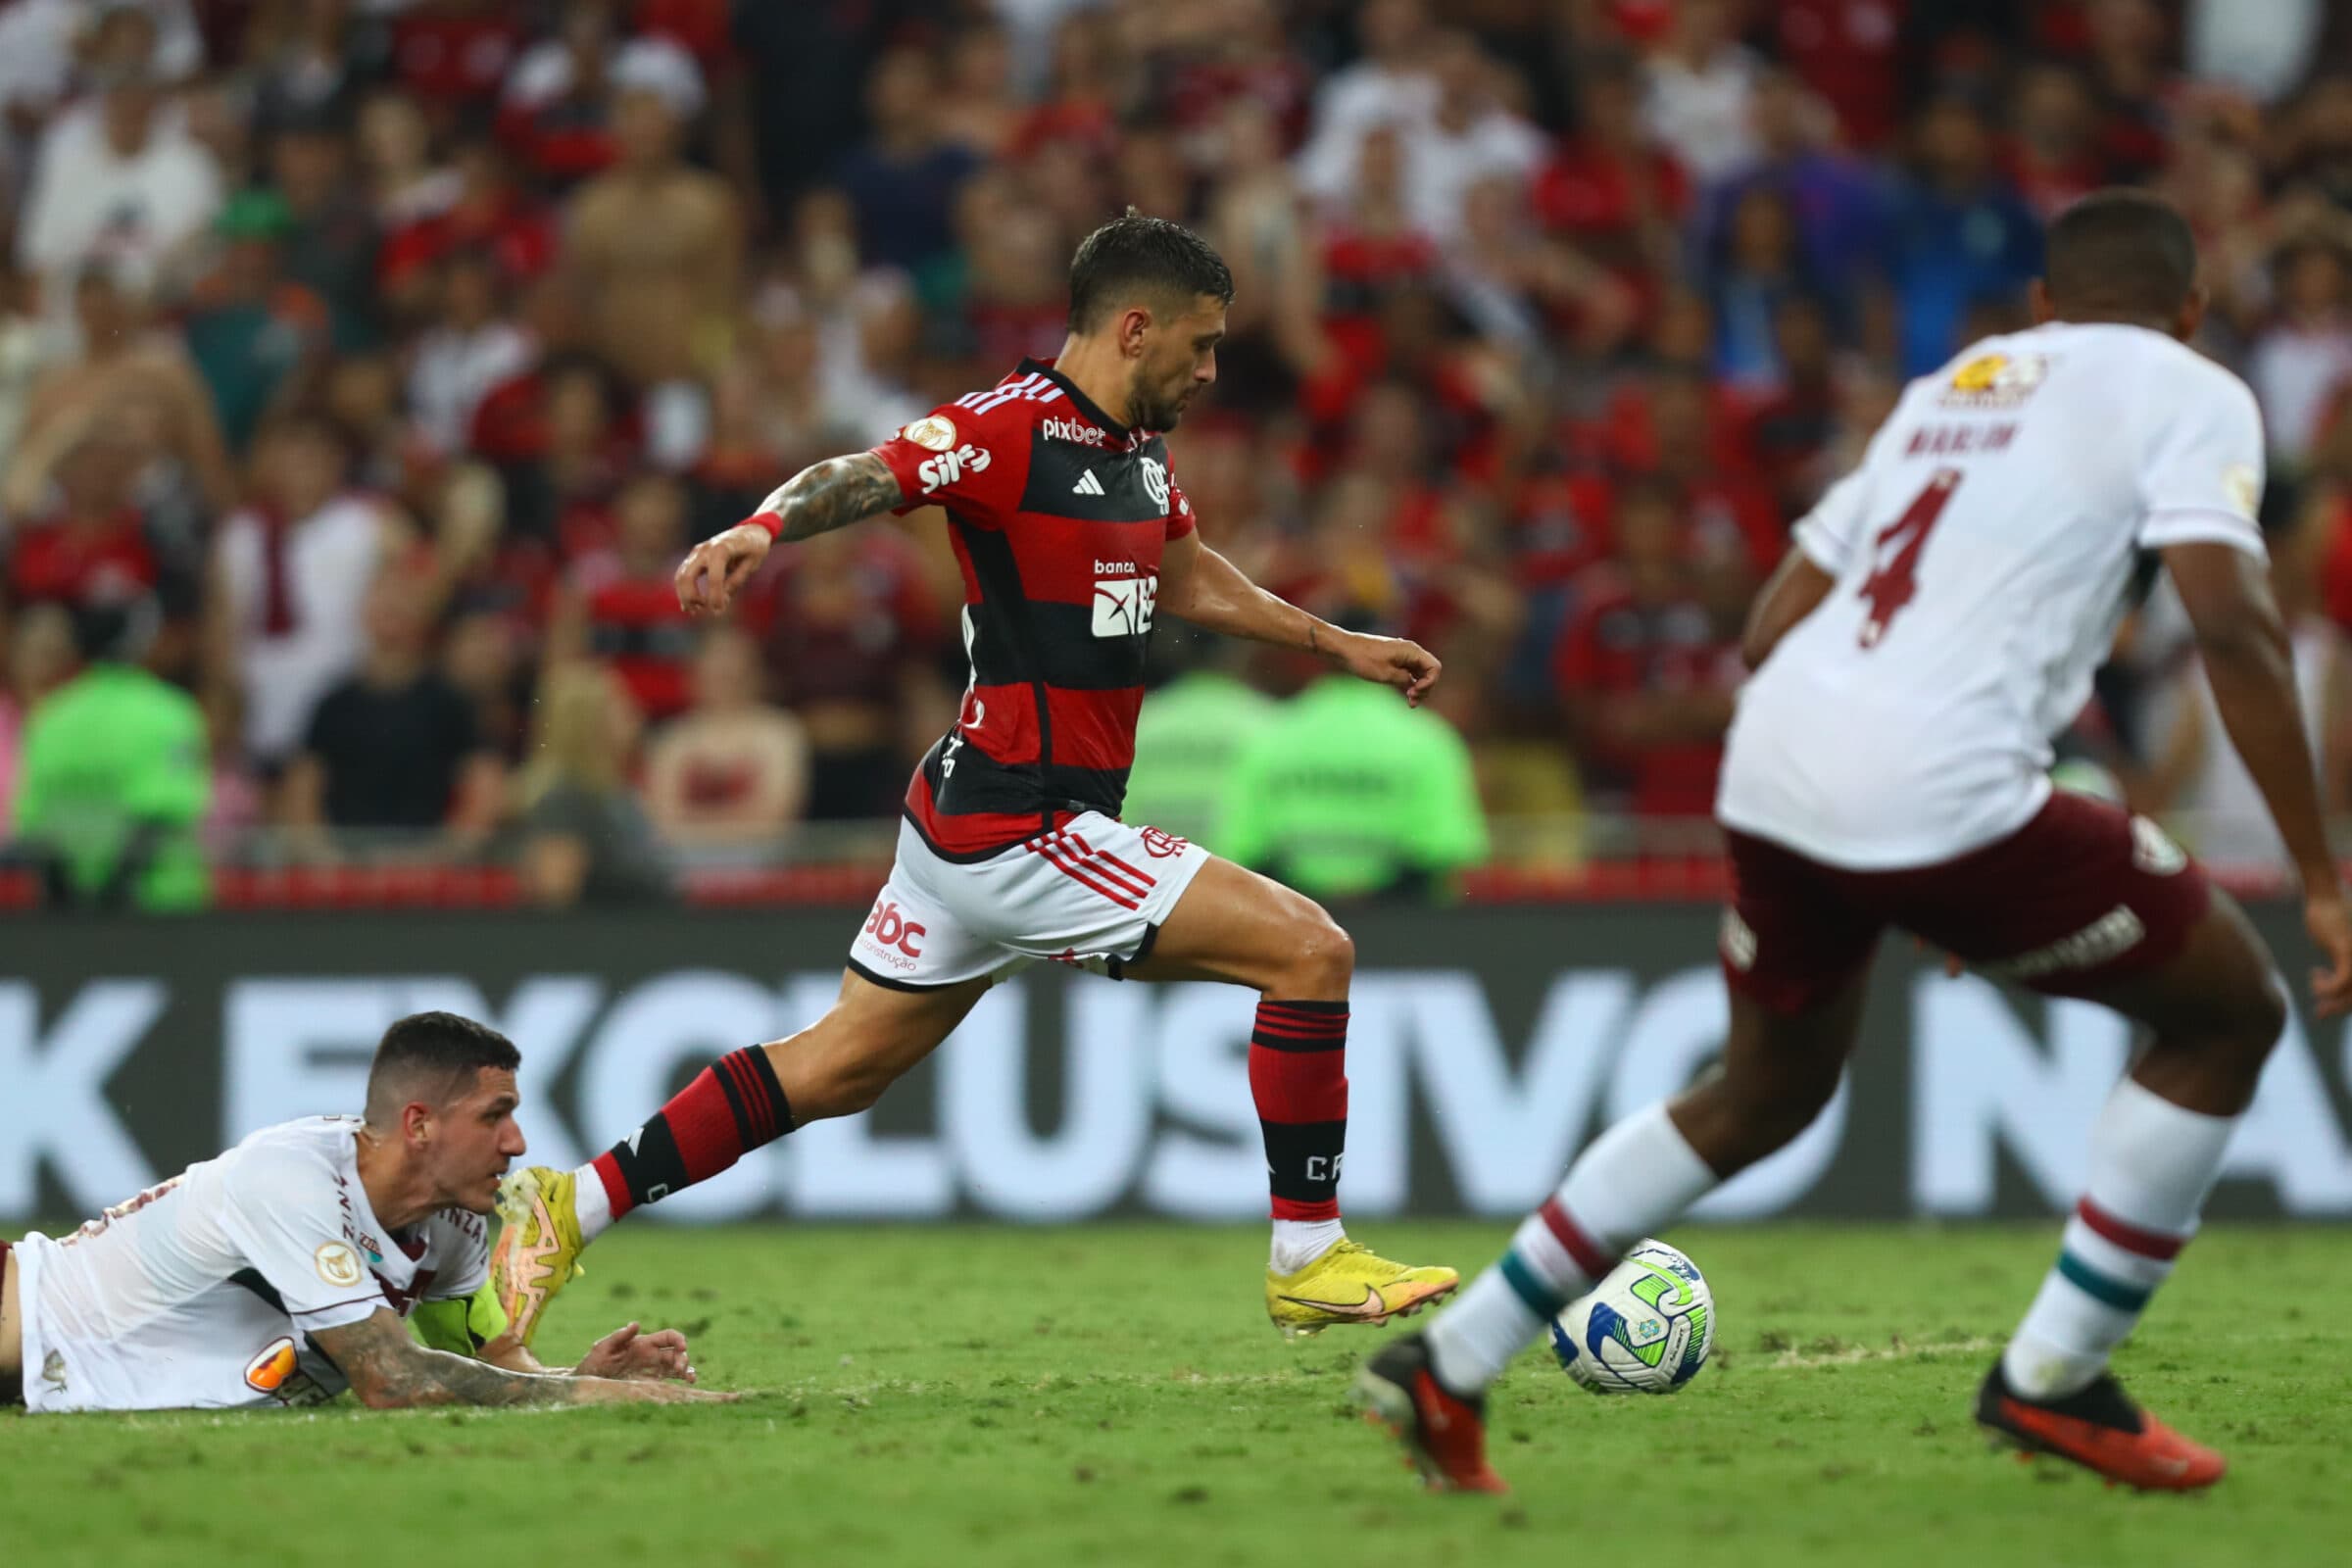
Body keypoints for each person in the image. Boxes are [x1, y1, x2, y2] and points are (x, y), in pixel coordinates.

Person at [1355, 189, 2352, 1494]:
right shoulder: (2190, 387)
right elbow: (2229, 620)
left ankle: (1450, 1360)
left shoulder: (1959, 384)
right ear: (2190, 310)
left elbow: (1773, 621)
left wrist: (1905, 854)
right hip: (1940, 784)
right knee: (2228, 1015)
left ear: (2043, 305)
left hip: (1778, 759)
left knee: (1762, 1089)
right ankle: (2055, 1380)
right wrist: (2322, 878)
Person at [492, 213, 1458, 1346]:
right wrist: (763, 527)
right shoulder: (1012, 429)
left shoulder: (1136, 448)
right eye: (1198, 346)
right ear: (1134, 328)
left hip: (970, 819)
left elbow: (1188, 577)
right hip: (1020, 824)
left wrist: (1335, 642)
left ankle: (572, 1204)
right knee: (1310, 949)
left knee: (838, 1066)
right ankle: (1310, 1254)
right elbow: (868, 472)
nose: (1209, 370)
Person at [0, 1010, 726, 1412]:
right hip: (21, 1312)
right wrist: (596, 1399)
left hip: (52, 1377)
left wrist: (575, 1374)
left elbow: (489, 1363)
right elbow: (394, 1379)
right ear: (419, 1125)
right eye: (495, 1115)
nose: (517, 1143)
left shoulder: (456, 1223)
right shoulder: (291, 1178)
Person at [1218, 612, 1490, 902]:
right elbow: (1446, 852)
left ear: (1321, 655)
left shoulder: (1271, 735)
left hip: (1294, 922)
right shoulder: (1429, 739)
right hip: (1401, 926)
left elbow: (1244, 850)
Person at [12, 596, 208, 912]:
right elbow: (165, 812)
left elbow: (35, 821)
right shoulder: (170, 713)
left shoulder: (50, 716)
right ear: (141, 644)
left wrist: (70, 896)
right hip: (160, 909)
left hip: (68, 911)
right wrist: (115, 892)